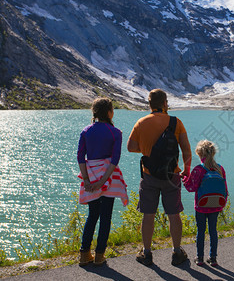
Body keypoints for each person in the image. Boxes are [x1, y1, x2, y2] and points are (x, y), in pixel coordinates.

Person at [127, 89, 192, 266]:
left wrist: (149, 149)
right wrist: (186, 170)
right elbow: (186, 150)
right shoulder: (176, 122)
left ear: (150, 104)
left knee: (148, 215)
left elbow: (130, 147)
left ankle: (147, 253)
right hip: (172, 176)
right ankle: (177, 252)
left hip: (149, 176)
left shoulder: (141, 122)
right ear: (165, 103)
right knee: (174, 214)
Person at [77, 98, 128, 267]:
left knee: (92, 215)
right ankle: (99, 256)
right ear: (109, 112)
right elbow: (115, 160)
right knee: (106, 217)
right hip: (109, 178)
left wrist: (87, 180)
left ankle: (84, 254)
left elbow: (80, 157)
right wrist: (103, 181)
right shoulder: (116, 133)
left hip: (90, 176)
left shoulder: (86, 131)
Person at [183, 140, 228, 267]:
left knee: (200, 231)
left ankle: (200, 258)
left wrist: (185, 179)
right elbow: (225, 189)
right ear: (213, 153)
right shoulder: (220, 168)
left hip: (201, 206)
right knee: (213, 230)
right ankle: (213, 258)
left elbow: (191, 188)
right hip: (215, 206)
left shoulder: (199, 169)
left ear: (199, 153)